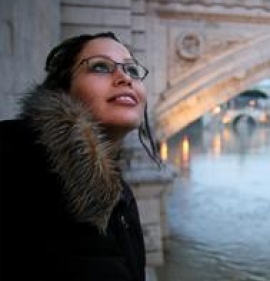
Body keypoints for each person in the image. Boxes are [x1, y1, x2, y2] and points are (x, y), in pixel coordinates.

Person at [0, 32, 161, 281]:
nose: (124, 78)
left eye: (132, 70)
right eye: (100, 66)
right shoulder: (13, 155)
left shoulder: (121, 196)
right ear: (63, 90)